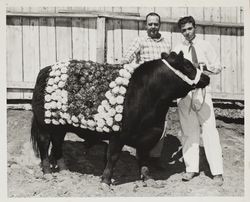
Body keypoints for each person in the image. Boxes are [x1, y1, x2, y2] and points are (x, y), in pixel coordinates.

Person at [173, 16, 224, 185]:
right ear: (181, 32)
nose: (187, 33)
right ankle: (191, 169)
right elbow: (174, 71)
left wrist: (204, 68)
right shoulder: (178, 48)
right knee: (188, 131)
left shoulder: (205, 45)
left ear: (195, 28)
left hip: (202, 92)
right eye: (183, 30)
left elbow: (217, 66)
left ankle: (216, 171)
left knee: (210, 130)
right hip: (185, 94)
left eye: (189, 28)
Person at [121, 12, 171, 169]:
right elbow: (126, 58)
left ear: (159, 25)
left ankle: (155, 157)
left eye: (156, 24)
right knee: (143, 125)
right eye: (150, 24)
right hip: (144, 91)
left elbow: (170, 67)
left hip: (162, 92)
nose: (153, 27)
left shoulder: (166, 44)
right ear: (145, 25)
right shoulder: (140, 40)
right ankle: (142, 158)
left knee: (161, 124)